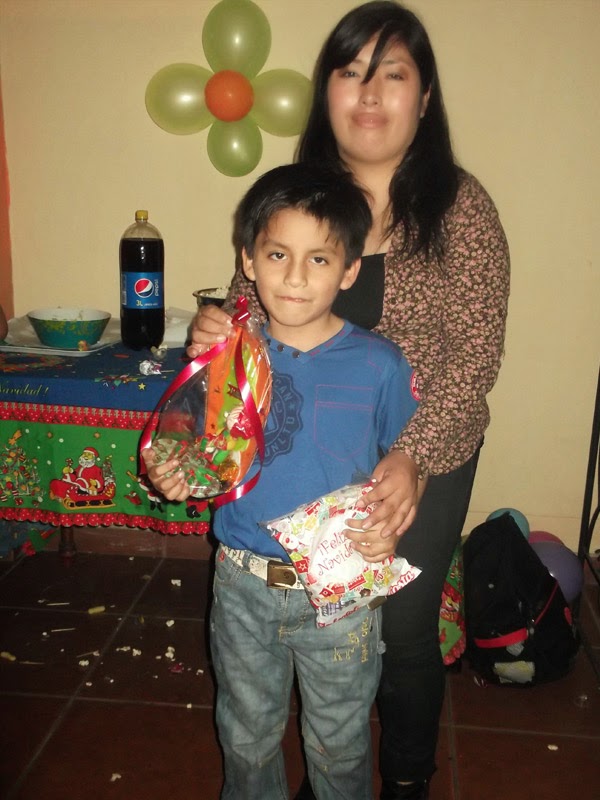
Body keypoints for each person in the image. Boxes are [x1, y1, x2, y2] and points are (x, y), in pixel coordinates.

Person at [188, 3, 510, 799]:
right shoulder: (302, 192)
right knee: (296, 620)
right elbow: (250, 307)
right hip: (310, 436)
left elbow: (474, 357)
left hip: (422, 438)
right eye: (351, 72)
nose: (369, 93)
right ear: (325, 91)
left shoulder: (461, 209)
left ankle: (401, 778)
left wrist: (411, 458)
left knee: (398, 619)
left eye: (391, 74)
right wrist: (218, 328)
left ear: (424, 98)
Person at [143, 162, 420, 800]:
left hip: (341, 592)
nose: (295, 277)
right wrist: (174, 471)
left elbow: (409, 466)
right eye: (277, 254)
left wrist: (394, 520)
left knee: (340, 742)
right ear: (249, 259)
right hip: (242, 582)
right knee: (245, 736)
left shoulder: (380, 365)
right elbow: (196, 450)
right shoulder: (228, 354)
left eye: (319, 259)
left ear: (349, 270)